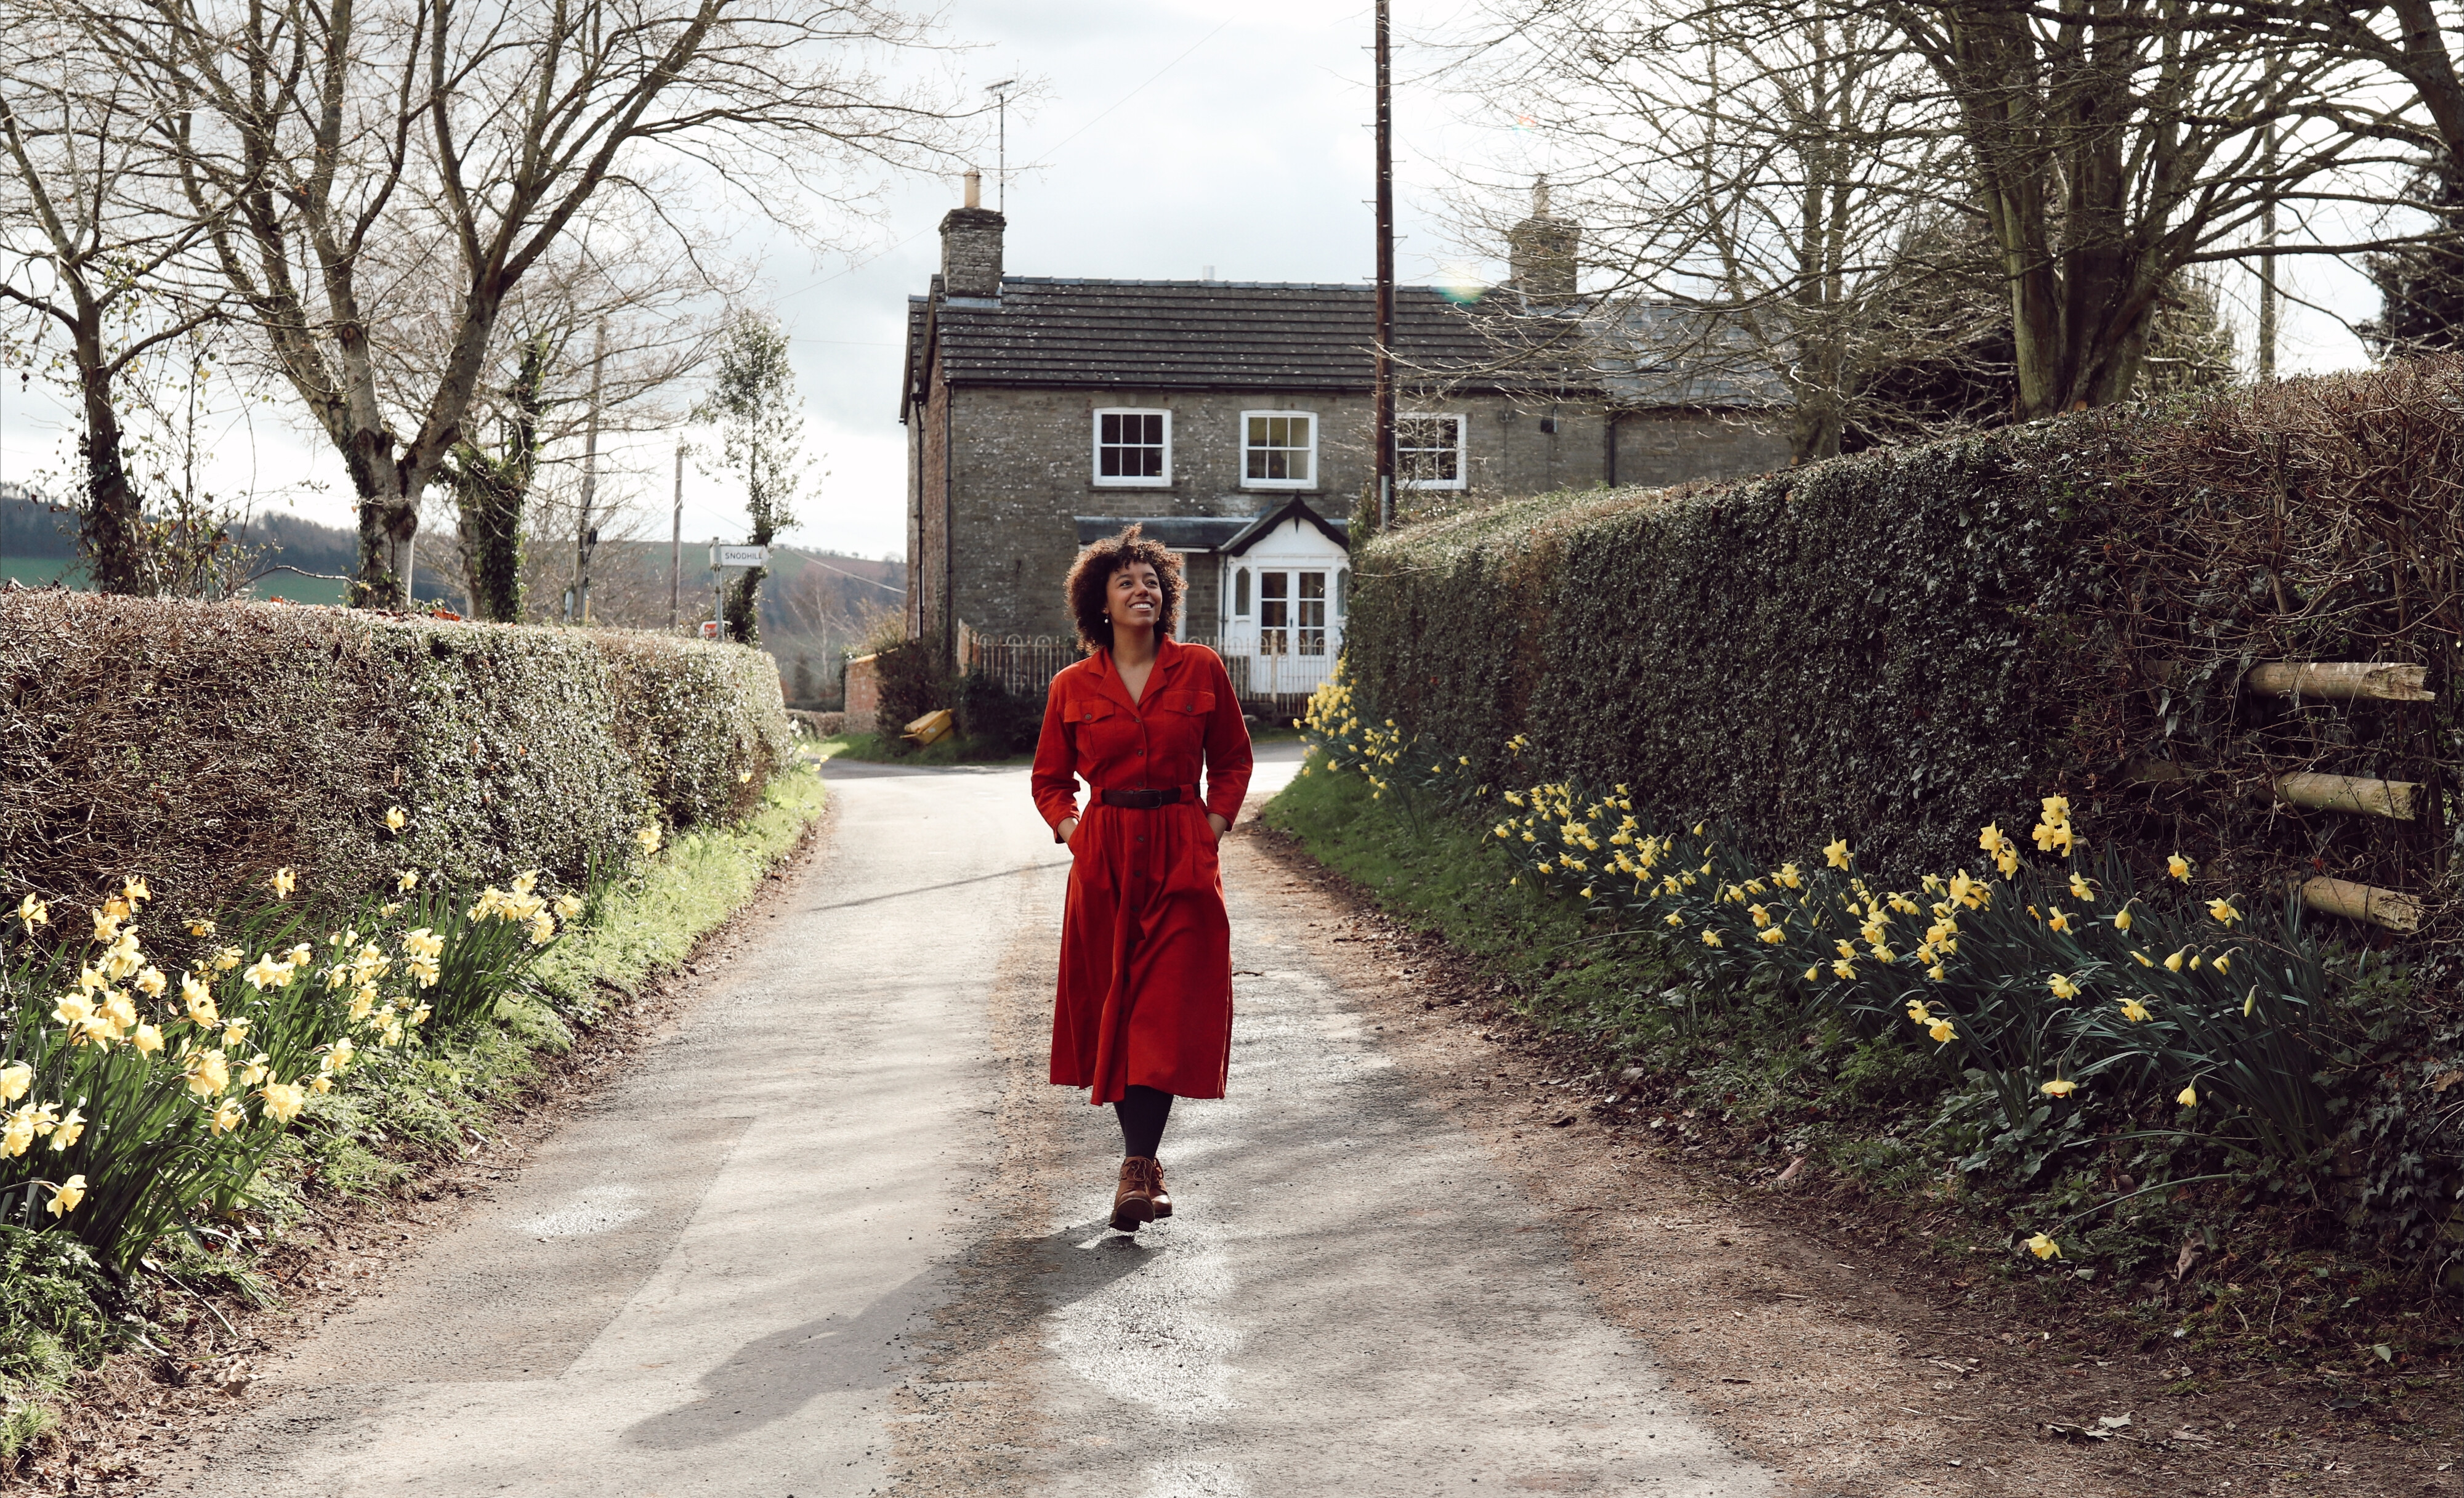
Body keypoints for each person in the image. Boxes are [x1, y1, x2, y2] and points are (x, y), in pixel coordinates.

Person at [1030, 525, 1253, 1233]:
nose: (1142, 590)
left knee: (1163, 1007)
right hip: (1107, 859)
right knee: (1119, 1011)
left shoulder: (1200, 669)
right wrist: (1074, 832)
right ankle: (1142, 1166)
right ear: (1099, 601)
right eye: (1126, 581)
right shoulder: (1072, 685)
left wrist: (1211, 827)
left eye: (1152, 580)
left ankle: (1136, 1165)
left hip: (1182, 854)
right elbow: (1047, 779)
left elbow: (1233, 760)